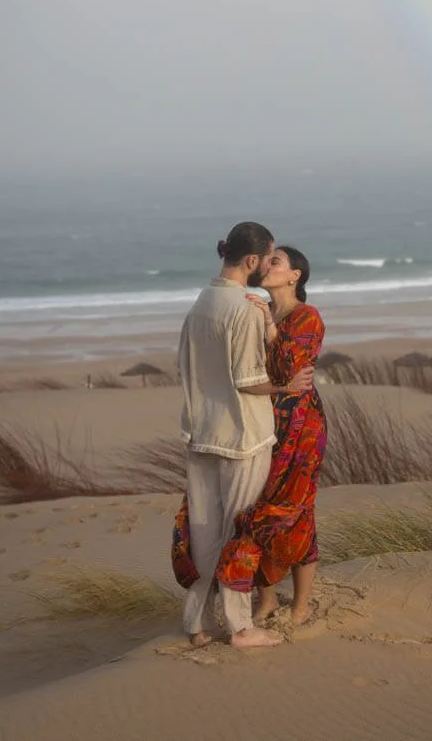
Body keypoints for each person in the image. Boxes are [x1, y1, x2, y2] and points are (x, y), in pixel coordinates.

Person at [178, 222, 314, 649]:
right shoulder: (243, 306)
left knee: (203, 531)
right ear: (252, 261)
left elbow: (185, 365)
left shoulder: (201, 301)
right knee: (241, 532)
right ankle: (240, 628)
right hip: (242, 437)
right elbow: (249, 378)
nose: (270, 264)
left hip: (201, 433)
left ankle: (196, 625)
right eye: (268, 257)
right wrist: (285, 388)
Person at [215, 245, 326, 627]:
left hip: (302, 425)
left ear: (295, 275)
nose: (267, 265)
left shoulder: (307, 316)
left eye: (276, 261)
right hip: (264, 419)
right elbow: (254, 370)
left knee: (296, 509)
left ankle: (300, 606)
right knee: (256, 505)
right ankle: (268, 600)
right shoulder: (257, 308)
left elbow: (292, 371)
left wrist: (269, 328)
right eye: (266, 260)